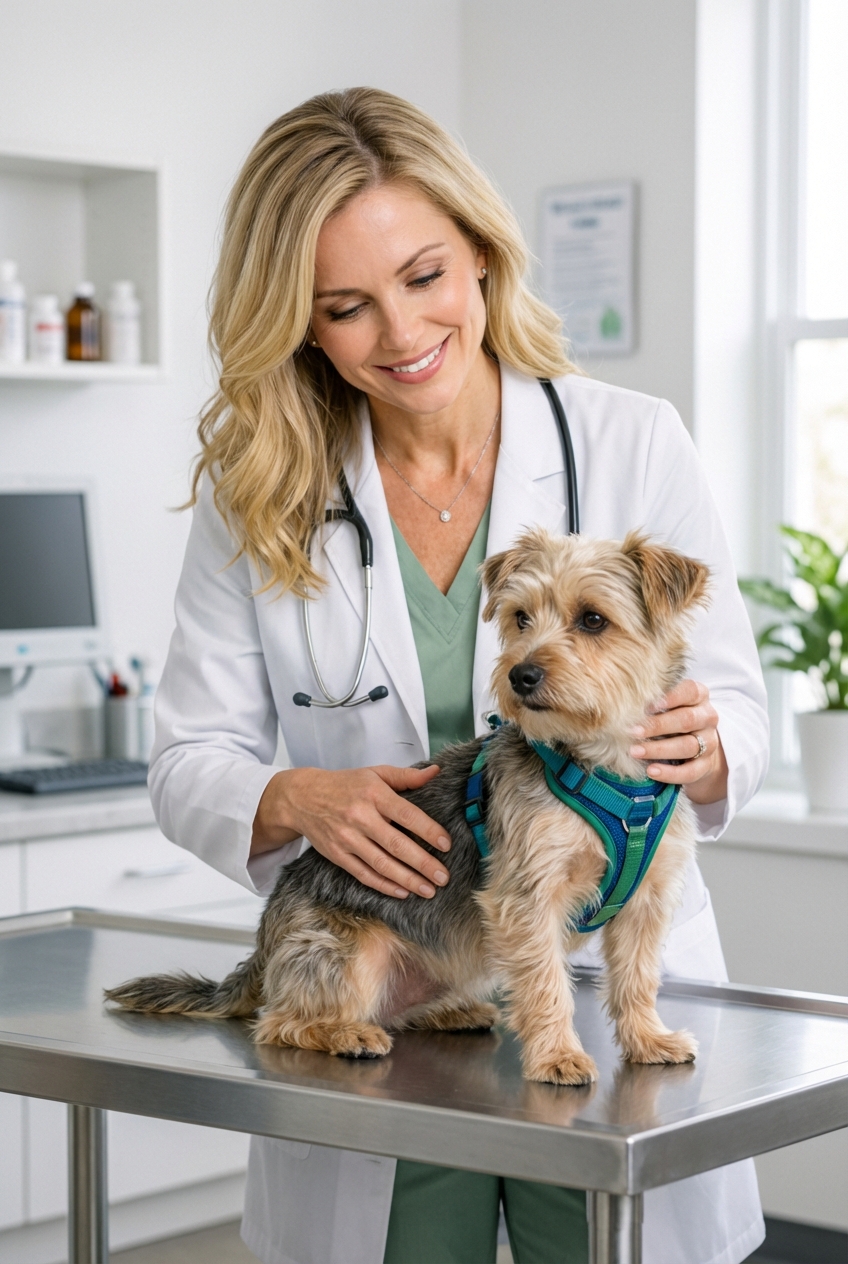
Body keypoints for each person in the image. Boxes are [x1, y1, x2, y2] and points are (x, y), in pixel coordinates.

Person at [150, 87, 768, 1264]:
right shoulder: (263, 491)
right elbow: (187, 759)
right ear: (299, 323)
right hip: (401, 1002)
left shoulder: (631, 440)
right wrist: (287, 797)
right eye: (345, 306)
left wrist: (710, 740)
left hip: (597, 997)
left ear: (482, 257)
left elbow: (736, 698)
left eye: (424, 276)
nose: (399, 333)